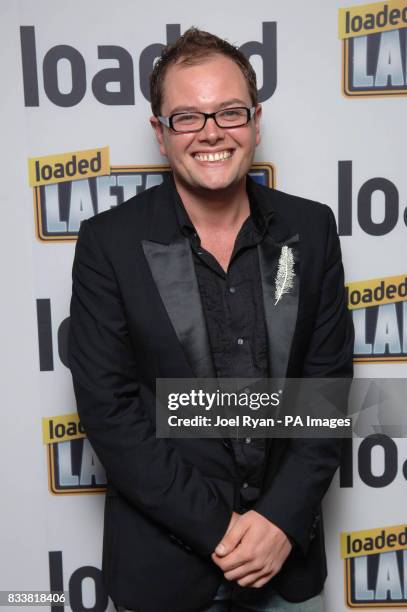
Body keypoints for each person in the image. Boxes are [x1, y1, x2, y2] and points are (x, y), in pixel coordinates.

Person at [68, 28, 354, 612]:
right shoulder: (109, 244)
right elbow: (110, 410)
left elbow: (326, 393)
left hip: (287, 563)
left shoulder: (314, 230)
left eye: (229, 111)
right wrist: (222, 533)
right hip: (165, 571)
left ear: (255, 120)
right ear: (159, 131)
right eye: (188, 117)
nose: (212, 133)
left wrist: (278, 521)